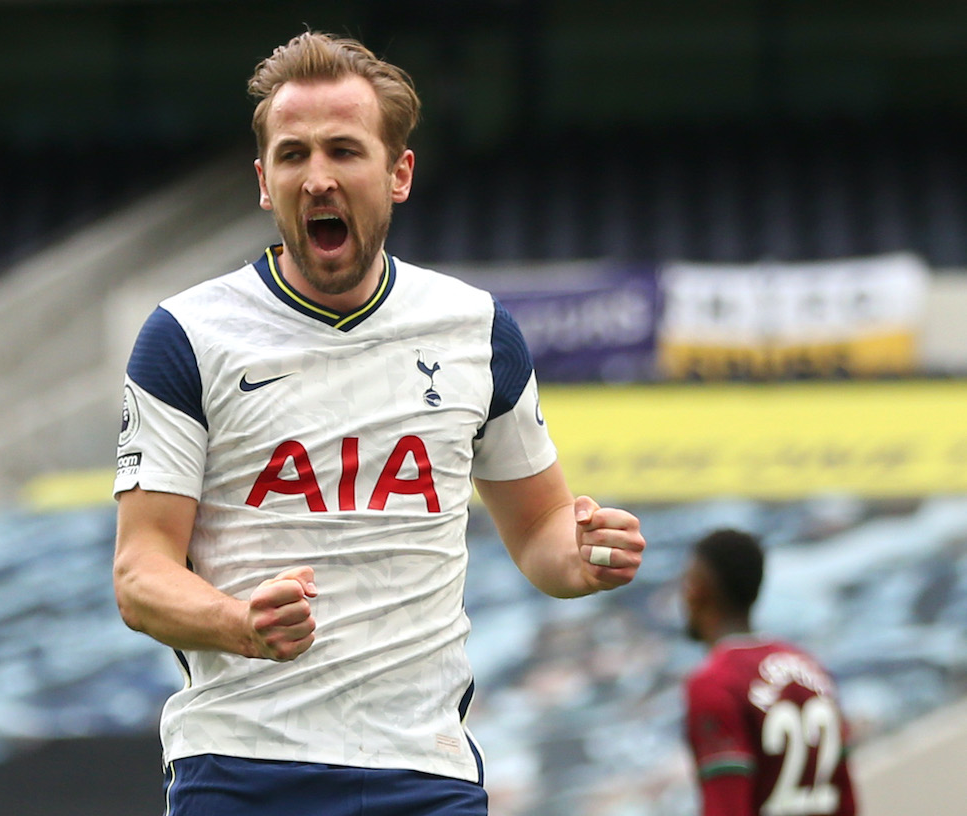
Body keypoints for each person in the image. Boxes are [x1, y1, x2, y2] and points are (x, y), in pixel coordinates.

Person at [111, 30, 646, 816]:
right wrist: (236, 621)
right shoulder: (187, 335)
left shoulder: (476, 329)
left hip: (423, 772)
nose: (318, 177)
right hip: (245, 764)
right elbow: (139, 575)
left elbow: (541, 535)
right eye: (293, 156)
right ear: (264, 181)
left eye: (343, 151)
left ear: (398, 173)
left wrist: (587, 550)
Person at [681, 529, 857, 816]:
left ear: (697, 589)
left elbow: (726, 808)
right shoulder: (810, 668)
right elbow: (846, 797)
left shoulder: (713, 684)